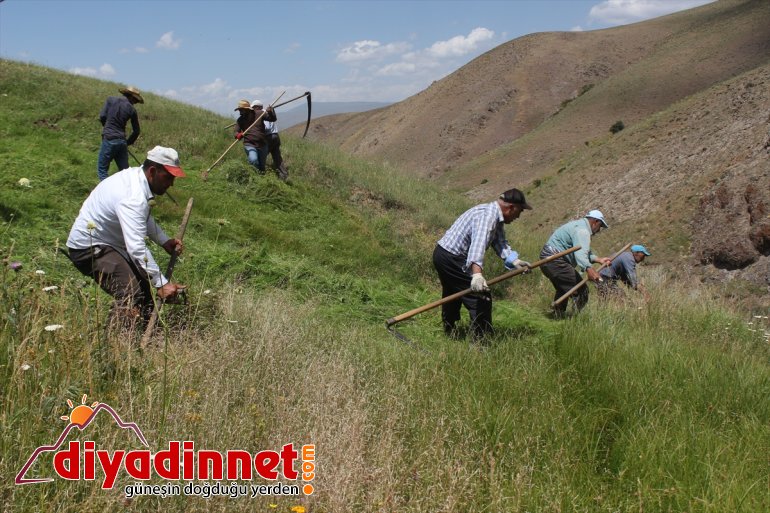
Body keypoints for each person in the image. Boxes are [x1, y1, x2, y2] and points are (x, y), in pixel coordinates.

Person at [67, 145, 187, 328]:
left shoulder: (136, 178)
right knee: (130, 292)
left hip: (107, 244)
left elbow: (142, 219)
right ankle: (114, 345)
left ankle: (147, 334)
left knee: (143, 286)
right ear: (153, 171)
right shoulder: (133, 196)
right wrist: (161, 283)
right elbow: (137, 247)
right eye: (168, 177)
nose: (171, 183)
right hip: (89, 247)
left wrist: (164, 241)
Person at [433, 188, 532, 340]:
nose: (519, 216)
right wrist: (477, 275)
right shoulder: (487, 216)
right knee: (480, 296)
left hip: (444, 254)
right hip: (451, 257)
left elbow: (499, 242)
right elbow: (477, 245)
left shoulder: (494, 215)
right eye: (520, 210)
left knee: (454, 293)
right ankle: (481, 342)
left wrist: (515, 261)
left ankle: (450, 331)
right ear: (511, 207)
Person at [540, 210, 611, 317]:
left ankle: (557, 315)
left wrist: (599, 260)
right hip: (554, 260)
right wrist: (589, 269)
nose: (599, 230)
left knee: (564, 288)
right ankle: (573, 319)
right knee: (582, 291)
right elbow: (581, 254)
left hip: (548, 258)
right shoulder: (583, 231)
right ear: (595, 222)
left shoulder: (579, 226)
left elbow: (582, 250)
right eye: (600, 226)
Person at [97, 86, 143, 181]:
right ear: (130, 97)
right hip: (122, 141)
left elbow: (102, 116)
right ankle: (127, 192)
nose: (134, 103)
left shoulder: (110, 100)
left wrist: (106, 127)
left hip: (109, 138)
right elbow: (136, 131)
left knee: (102, 169)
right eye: (135, 100)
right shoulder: (132, 110)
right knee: (125, 172)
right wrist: (128, 142)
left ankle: (106, 192)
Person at [234, 99, 277, 174]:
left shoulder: (259, 113)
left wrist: (270, 112)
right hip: (249, 144)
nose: (240, 111)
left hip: (262, 144)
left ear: (247, 109)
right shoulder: (240, 120)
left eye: (241, 109)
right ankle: (255, 176)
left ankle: (261, 179)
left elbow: (273, 119)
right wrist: (238, 135)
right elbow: (236, 131)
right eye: (239, 109)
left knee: (262, 166)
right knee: (253, 160)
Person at [264, 116, 288, 181]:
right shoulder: (266, 113)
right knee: (277, 157)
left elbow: (267, 127)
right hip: (275, 136)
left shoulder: (262, 115)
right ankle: (284, 175)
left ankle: (261, 175)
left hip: (269, 137)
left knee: (262, 156)